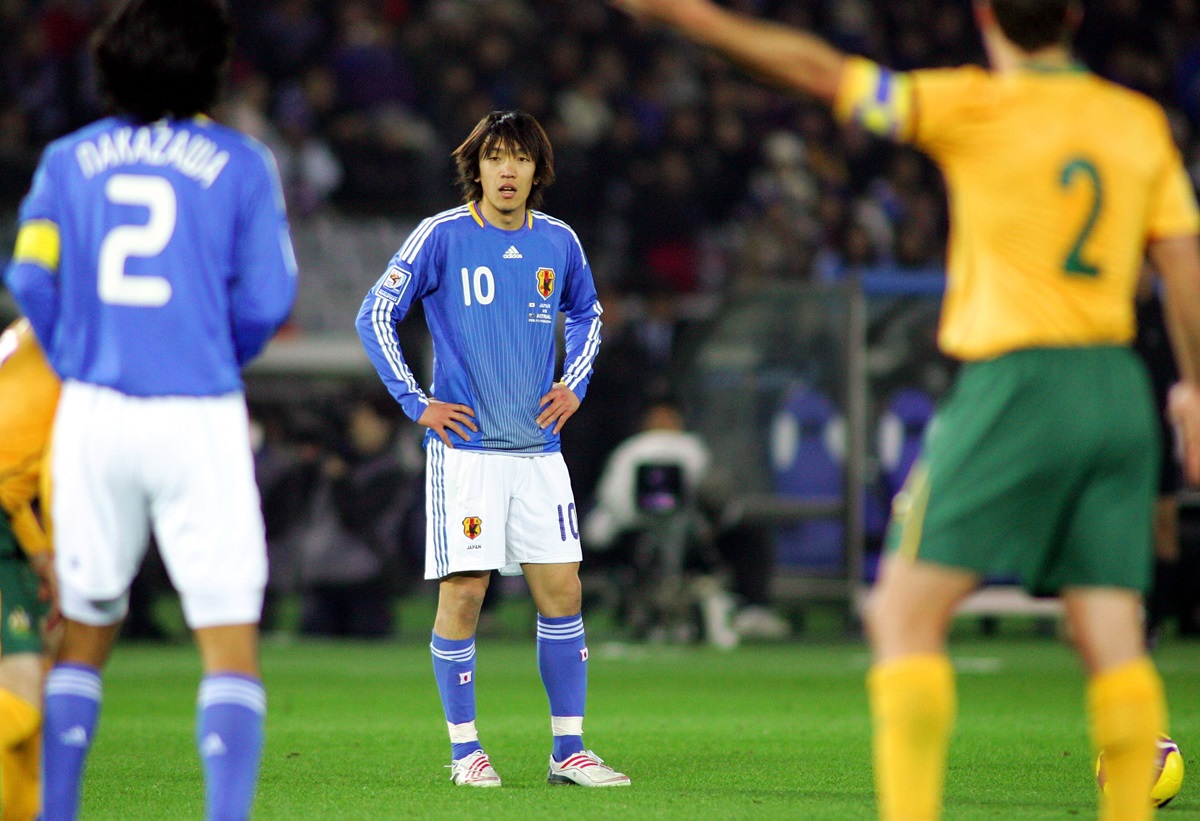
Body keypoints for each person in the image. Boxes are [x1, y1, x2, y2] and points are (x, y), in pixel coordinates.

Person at [612, 1, 1200, 819]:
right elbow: (1180, 259)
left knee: (901, 612)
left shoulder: (972, 103)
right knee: (1109, 627)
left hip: (1016, 378)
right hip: (1116, 383)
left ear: (986, 15)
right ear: (1073, 15)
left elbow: (820, 72)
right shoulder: (1136, 121)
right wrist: (1196, 389)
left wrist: (694, 16)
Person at [3, 0, 298, 818]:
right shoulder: (241, 163)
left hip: (94, 414)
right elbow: (270, 298)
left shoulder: (67, 160)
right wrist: (212, 351)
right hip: (195, 412)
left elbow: (29, 277)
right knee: (227, 633)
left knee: (85, 628)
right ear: (211, 69)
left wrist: (76, 356)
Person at [355, 110, 629, 789]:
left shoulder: (559, 241)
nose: (507, 171)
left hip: (538, 449)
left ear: (538, 169)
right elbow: (375, 313)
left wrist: (574, 382)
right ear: (474, 166)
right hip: (467, 450)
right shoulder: (441, 236)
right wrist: (416, 402)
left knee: (563, 590)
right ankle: (465, 752)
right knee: (466, 592)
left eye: (521, 159)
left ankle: (569, 750)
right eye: (495, 158)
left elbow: (589, 312)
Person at [0, 319, 60, 821]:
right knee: (23, 689)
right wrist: (62, 560)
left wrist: (40, 556)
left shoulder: (24, 335)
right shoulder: (76, 337)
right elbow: (62, 469)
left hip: (7, 524)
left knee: (25, 683)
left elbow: (13, 476)